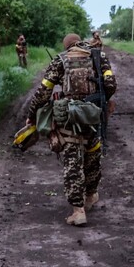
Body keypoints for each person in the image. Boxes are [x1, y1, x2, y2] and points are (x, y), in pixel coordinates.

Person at [26, 33, 117, 226]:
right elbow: (110, 85)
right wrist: (101, 101)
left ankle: (78, 211)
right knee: (93, 155)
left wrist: (32, 114)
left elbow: (43, 91)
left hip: (70, 117)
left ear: (67, 46)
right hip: (93, 116)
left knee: (72, 161)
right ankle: (91, 195)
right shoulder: (99, 56)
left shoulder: (61, 60)